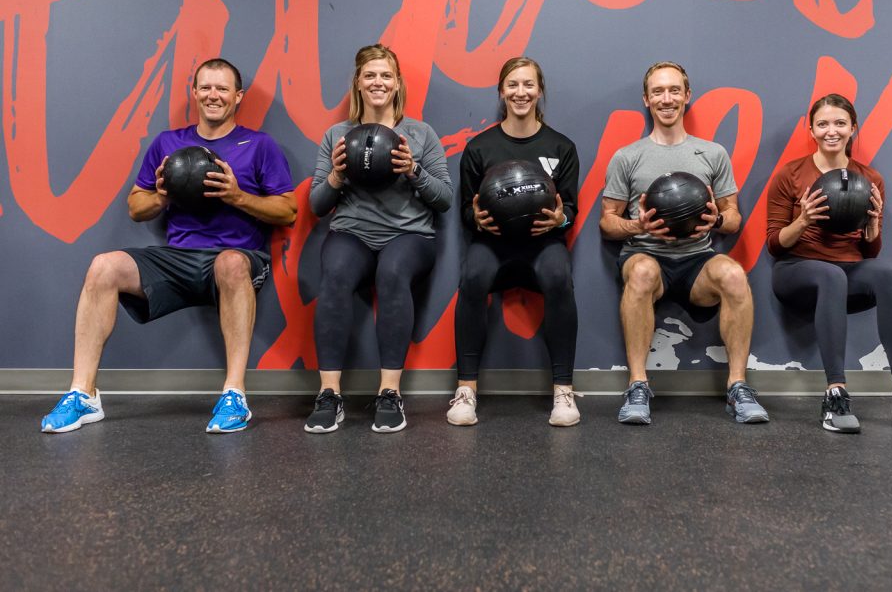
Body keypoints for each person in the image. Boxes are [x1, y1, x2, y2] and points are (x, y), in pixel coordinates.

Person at [40, 58, 297, 434]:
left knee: (230, 264)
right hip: (177, 258)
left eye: (222, 88)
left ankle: (235, 395)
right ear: (193, 92)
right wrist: (161, 196)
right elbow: (135, 206)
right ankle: (83, 395)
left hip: (236, 256)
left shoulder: (259, 145)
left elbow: (288, 210)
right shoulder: (168, 143)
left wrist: (238, 196)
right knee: (103, 266)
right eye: (205, 87)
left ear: (238, 96)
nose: (213, 95)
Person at [599, 61, 768, 425]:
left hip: (697, 258)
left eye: (674, 90)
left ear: (687, 96)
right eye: (658, 91)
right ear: (646, 99)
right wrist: (636, 225)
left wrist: (717, 221)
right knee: (642, 272)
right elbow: (607, 222)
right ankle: (638, 386)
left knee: (735, 274)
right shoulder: (628, 156)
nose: (667, 98)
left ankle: (738, 386)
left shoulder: (712, 153)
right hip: (646, 253)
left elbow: (734, 216)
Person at [765, 93, 892, 433]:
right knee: (831, 275)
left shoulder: (869, 179)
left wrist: (872, 228)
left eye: (840, 123)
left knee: (886, 274)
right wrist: (803, 220)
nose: (832, 131)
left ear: (853, 128)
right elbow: (774, 245)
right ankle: (835, 393)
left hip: (847, 270)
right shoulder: (790, 174)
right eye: (823, 124)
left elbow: (870, 253)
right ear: (811, 129)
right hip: (796, 270)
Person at [305, 44, 452, 434]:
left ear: (397, 83)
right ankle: (329, 394)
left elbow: (446, 198)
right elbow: (317, 204)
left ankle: (390, 393)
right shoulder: (338, 135)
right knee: (334, 272)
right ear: (358, 82)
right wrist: (336, 177)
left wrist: (414, 171)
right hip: (352, 232)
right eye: (370, 75)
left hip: (409, 235)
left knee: (392, 273)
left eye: (386, 75)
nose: (378, 82)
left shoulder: (420, 133)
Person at [448, 57, 581, 427]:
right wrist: (475, 218)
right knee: (472, 277)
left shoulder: (561, 147)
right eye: (512, 85)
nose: (520, 93)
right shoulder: (479, 148)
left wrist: (561, 219)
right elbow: (464, 211)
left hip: (543, 243)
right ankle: (465, 391)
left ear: (539, 91)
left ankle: (563, 392)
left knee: (558, 276)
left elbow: (569, 207)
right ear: (501, 92)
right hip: (493, 244)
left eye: (528, 85)